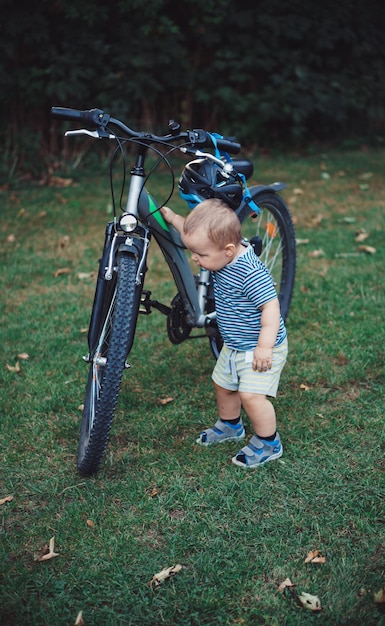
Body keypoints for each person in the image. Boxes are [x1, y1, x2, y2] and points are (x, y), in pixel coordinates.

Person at [161, 198, 288, 468]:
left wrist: (264, 347)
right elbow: (193, 235)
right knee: (224, 385)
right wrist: (173, 218)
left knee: (251, 397)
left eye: (201, 255)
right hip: (234, 343)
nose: (195, 258)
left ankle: (269, 442)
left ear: (229, 250)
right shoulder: (218, 252)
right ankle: (231, 426)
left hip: (258, 346)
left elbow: (271, 306)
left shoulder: (249, 272)